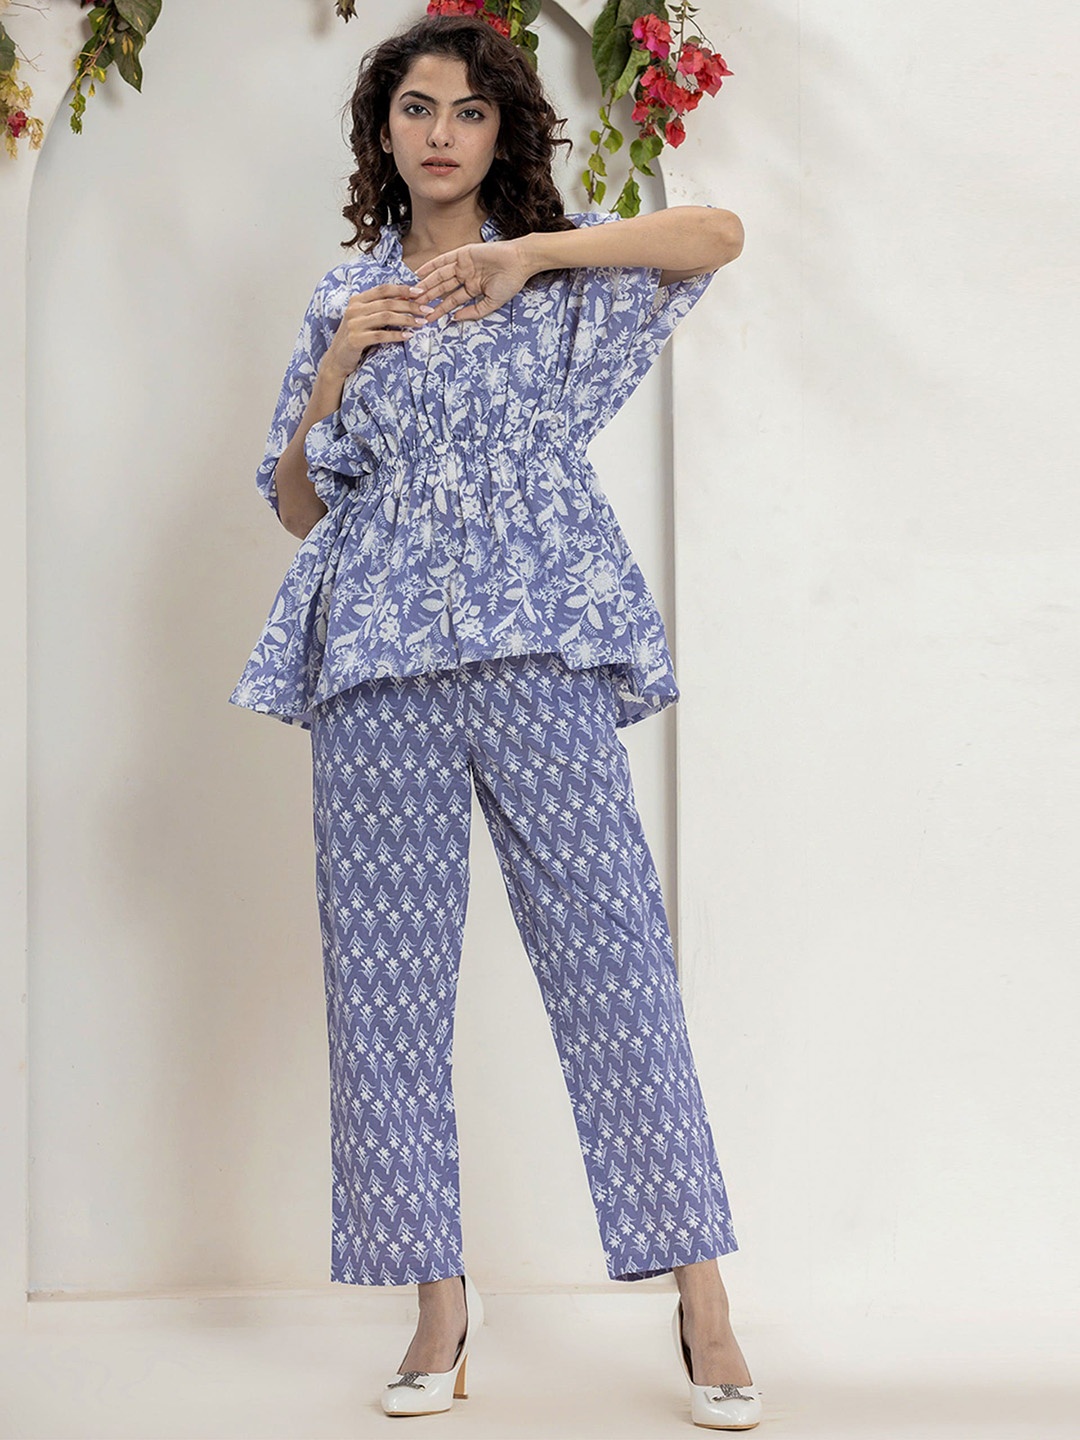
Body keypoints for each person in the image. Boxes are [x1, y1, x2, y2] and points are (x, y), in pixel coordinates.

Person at [229, 12, 760, 1430]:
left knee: (615, 962)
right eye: (417, 107)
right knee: (384, 990)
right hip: (377, 666)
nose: (441, 132)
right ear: (384, 131)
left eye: (469, 110)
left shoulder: (557, 272)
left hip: (538, 649)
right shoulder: (344, 290)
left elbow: (717, 235)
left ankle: (705, 1301)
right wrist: (336, 370)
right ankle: (439, 1312)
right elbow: (296, 506)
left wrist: (537, 255)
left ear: (502, 130)